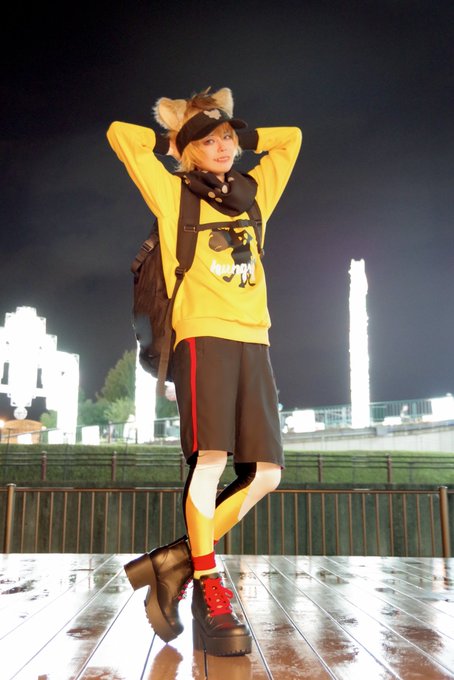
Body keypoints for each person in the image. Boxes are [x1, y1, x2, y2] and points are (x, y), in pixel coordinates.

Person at [107, 87, 302, 657]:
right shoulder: (173, 194)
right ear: (189, 148)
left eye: (227, 138)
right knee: (211, 461)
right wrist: (176, 133)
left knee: (267, 474)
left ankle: (176, 560)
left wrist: (237, 130)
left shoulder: (254, 193)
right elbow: (121, 135)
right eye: (209, 140)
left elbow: (292, 140)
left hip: (255, 339)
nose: (223, 147)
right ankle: (209, 582)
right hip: (202, 338)